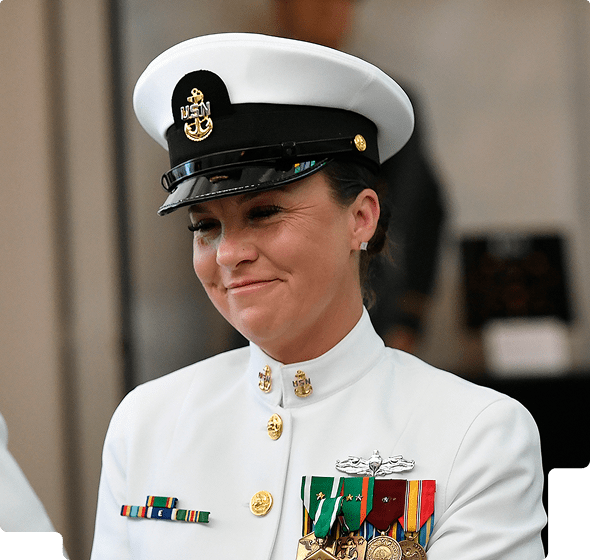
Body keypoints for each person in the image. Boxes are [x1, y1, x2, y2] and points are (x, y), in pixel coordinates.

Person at [90, 33, 545, 559]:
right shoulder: (146, 424)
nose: (229, 253)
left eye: (264, 213)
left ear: (361, 218)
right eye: (206, 226)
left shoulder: (474, 436)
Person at [273, 0, 447, 354]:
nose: (329, 8)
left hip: (370, 314)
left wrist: (408, 318)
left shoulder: (385, 105)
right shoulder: (253, 104)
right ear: (282, 7)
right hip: (273, 312)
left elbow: (421, 213)